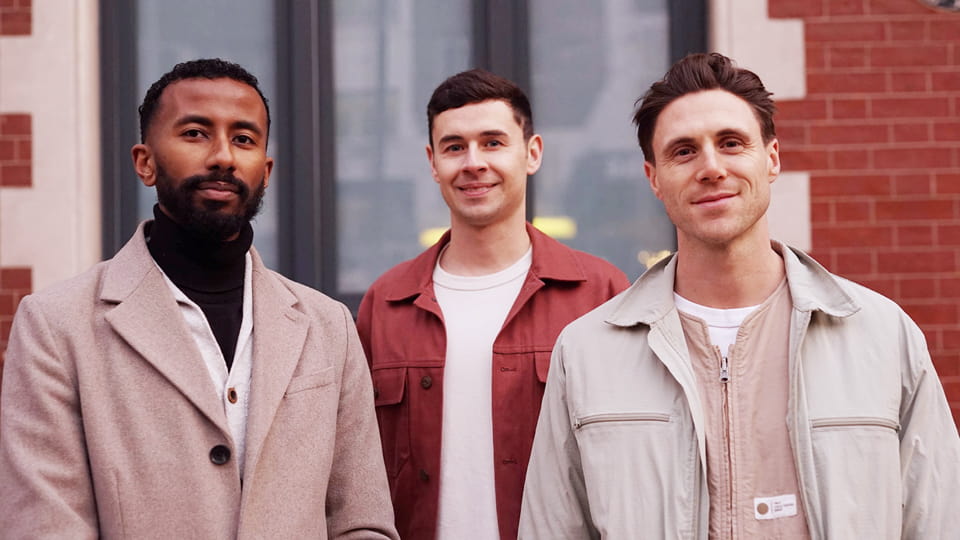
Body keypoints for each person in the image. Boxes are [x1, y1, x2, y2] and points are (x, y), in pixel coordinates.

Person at [519, 52, 960, 539]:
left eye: (731, 143)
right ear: (654, 179)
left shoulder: (881, 335)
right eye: (683, 151)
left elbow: (939, 518)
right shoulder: (587, 353)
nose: (711, 167)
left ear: (771, 159)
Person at [0, 58, 398, 539]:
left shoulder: (329, 325)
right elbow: (45, 527)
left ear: (265, 170)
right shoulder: (56, 325)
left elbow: (361, 520)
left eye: (244, 139)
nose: (224, 157)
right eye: (195, 133)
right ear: (145, 162)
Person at [356, 68, 630, 540]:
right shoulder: (386, 303)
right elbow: (354, 470)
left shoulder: (600, 293)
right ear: (432, 161)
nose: (473, 162)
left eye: (492, 142)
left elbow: (631, 463)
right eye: (454, 147)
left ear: (532, 153)